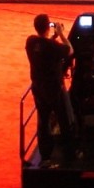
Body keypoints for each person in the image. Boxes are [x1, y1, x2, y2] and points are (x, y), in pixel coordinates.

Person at [25, 14, 74, 168]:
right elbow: (69, 50)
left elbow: (44, 47)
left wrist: (53, 37)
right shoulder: (52, 46)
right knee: (64, 119)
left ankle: (45, 155)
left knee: (43, 121)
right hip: (54, 89)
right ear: (48, 27)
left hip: (38, 89)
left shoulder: (31, 42)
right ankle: (69, 153)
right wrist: (61, 34)